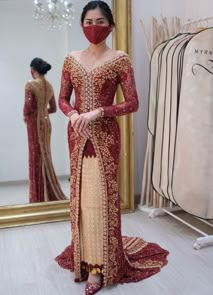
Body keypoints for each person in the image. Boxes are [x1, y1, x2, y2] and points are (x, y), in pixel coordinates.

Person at [55, 1, 169, 294]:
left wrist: (99, 112)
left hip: (105, 136)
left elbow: (132, 102)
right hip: (78, 135)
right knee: (81, 197)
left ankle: (100, 266)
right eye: (89, 21)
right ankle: (85, 256)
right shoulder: (71, 59)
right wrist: (74, 114)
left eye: (101, 22)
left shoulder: (120, 58)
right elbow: (63, 99)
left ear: (111, 26)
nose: (94, 27)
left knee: (101, 197)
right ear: (82, 24)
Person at [23, 58, 67, 203]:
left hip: (34, 124)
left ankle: (38, 198)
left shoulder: (30, 85)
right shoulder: (49, 86)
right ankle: (48, 193)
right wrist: (43, 111)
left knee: (35, 158)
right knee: (45, 156)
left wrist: (27, 117)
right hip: (46, 124)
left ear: (33, 70)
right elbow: (53, 108)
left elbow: (28, 107)